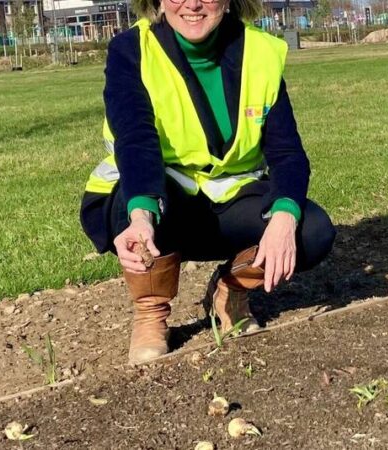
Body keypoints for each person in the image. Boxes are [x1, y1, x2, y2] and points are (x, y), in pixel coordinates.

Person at [79, 0, 336, 364]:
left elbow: (287, 153)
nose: (193, 3)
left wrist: (284, 215)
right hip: (161, 203)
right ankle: (151, 312)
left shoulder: (260, 52)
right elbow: (136, 139)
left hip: (231, 205)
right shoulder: (131, 50)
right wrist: (140, 216)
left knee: (311, 231)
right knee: (136, 205)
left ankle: (230, 290)